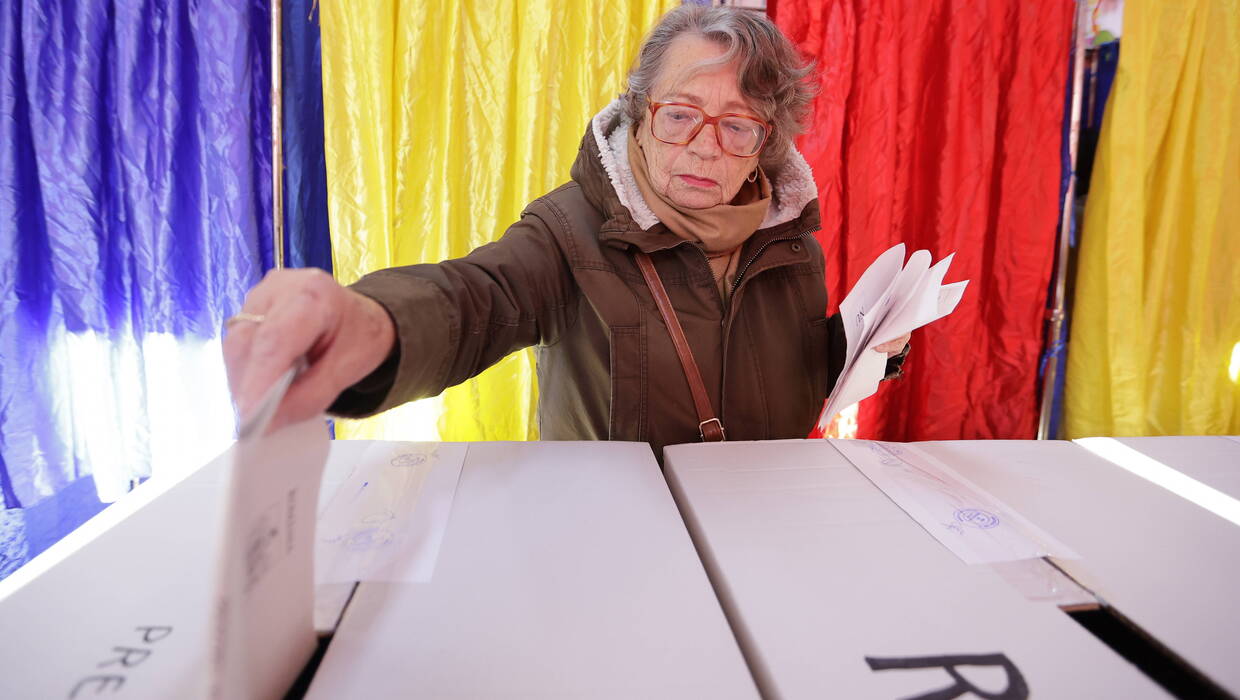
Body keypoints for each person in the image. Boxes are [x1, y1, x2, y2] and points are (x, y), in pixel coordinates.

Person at [223, 6, 909, 455]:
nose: (704, 146)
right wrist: (376, 324)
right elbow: (475, 298)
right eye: (680, 114)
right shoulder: (571, 229)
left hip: (759, 540)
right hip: (612, 547)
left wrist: (868, 349)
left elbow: (785, 376)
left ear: (768, 142)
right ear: (640, 112)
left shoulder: (790, 242)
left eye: (737, 125)